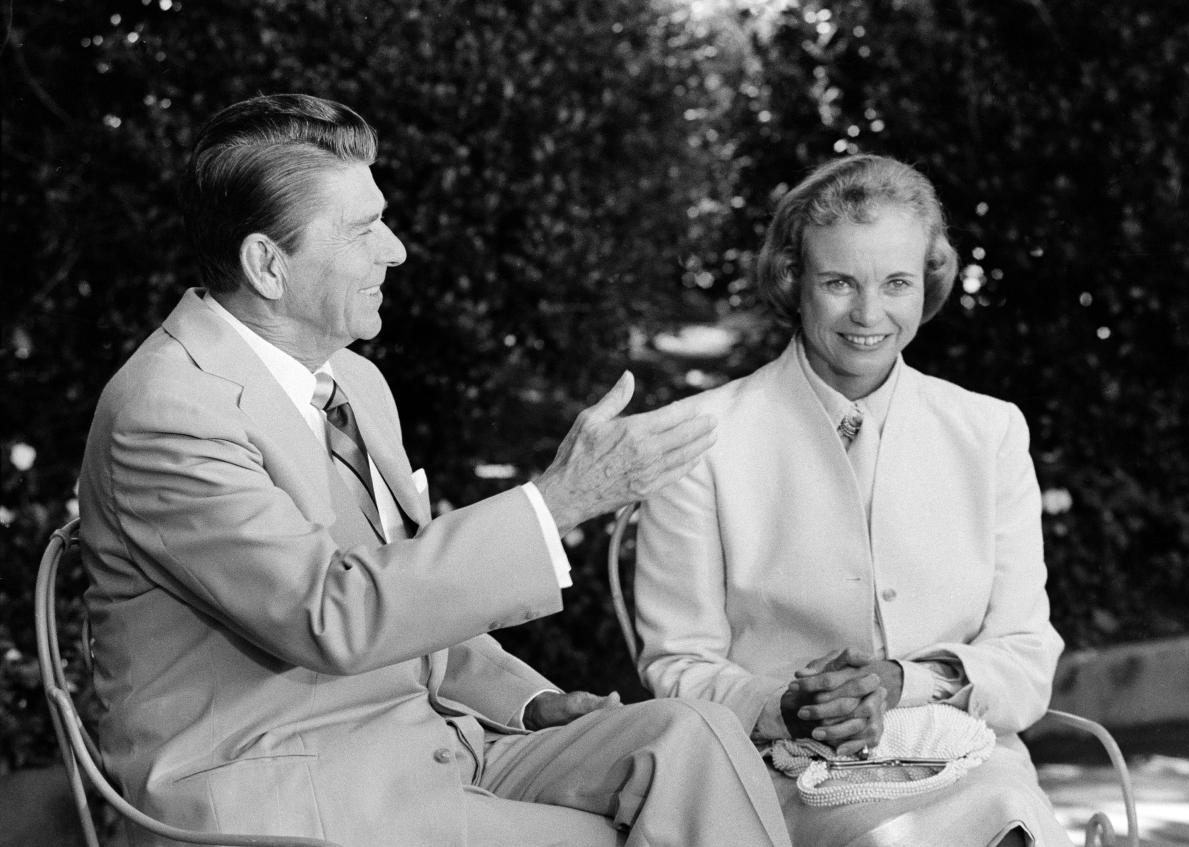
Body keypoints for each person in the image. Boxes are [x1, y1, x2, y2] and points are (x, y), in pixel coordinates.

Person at [78, 93, 794, 847]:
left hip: (433, 746)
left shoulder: (354, 382)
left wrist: (528, 702)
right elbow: (334, 615)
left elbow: (409, 604)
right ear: (267, 264)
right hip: (290, 794)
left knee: (694, 732)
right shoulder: (168, 410)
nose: (395, 249)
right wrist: (556, 503)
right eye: (363, 230)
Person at [634, 155, 1072, 847]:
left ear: (925, 283)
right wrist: (783, 706)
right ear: (793, 280)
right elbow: (677, 664)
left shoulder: (989, 432)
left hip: (967, 766)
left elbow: (1024, 656)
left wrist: (906, 682)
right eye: (839, 282)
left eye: (896, 282)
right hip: (777, 777)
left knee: (1000, 819)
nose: (870, 314)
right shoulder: (699, 441)